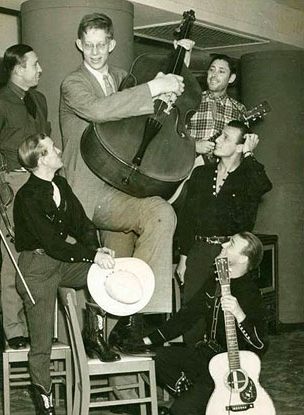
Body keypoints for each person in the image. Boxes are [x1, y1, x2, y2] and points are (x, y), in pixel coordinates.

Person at [59, 12, 193, 352]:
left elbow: (156, 103)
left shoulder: (124, 77)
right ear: (79, 45)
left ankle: (123, 374)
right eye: (87, 45)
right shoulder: (73, 84)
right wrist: (153, 88)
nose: (94, 51)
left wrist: (177, 65)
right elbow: (101, 110)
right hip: (91, 195)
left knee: (117, 286)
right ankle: (141, 314)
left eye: (100, 45)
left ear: (112, 44)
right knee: (160, 213)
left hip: (125, 188)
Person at [13, 132, 119, 415]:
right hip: (37, 270)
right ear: (42, 159)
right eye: (52, 148)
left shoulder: (60, 185)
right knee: (42, 346)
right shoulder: (29, 196)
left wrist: (98, 252)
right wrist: (91, 255)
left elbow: (81, 223)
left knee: (101, 275)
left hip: (61, 263)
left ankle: (93, 334)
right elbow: (52, 244)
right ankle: (46, 412)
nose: (59, 149)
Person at [142, 231, 268, 415]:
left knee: (181, 413)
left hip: (230, 369)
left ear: (243, 258)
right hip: (207, 356)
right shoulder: (215, 281)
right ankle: (201, 397)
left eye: (231, 244)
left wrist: (239, 313)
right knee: (158, 357)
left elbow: (260, 344)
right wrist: (148, 340)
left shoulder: (250, 292)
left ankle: (208, 400)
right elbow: (186, 316)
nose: (224, 245)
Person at [0, 44, 51, 349]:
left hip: (41, 186)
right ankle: (14, 329)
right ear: (18, 70)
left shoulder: (39, 100)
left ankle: (40, 326)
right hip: (14, 187)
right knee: (14, 260)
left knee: (43, 260)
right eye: (34, 64)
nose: (40, 69)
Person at [176, 120, 272, 306]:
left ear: (239, 147)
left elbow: (264, 186)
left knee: (224, 314)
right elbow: (187, 219)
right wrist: (184, 258)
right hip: (199, 251)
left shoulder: (248, 178)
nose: (218, 139)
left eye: (225, 137)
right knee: (191, 318)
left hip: (230, 254)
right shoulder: (201, 174)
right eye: (221, 134)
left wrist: (249, 153)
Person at [186, 53, 246, 168]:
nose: (214, 75)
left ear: (231, 78)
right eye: (212, 70)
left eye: (221, 71)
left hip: (218, 172)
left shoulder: (239, 109)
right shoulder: (191, 99)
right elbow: (172, 134)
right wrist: (193, 146)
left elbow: (239, 150)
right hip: (185, 165)